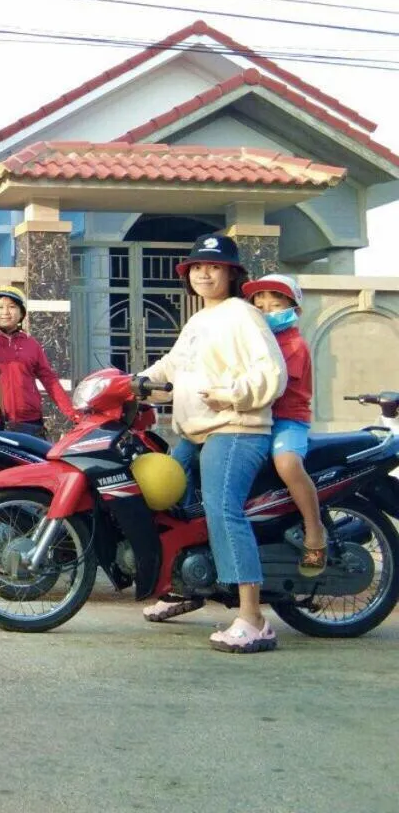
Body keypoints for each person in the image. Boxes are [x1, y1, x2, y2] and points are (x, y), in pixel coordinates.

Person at [139, 234, 286, 653]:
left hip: (236, 427)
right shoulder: (199, 320)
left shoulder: (242, 315)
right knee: (165, 497)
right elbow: (172, 365)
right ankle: (189, 584)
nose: (204, 273)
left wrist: (233, 394)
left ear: (231, 273)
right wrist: (133, 382)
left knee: (223, 508)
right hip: (195, 430)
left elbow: (271, 371)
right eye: (197, 267)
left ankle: (254, 618)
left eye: (214, 266)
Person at [243, 273, 326, 576]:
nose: (267, 311)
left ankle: (314, 531)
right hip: (257, 419)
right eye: (260, 306)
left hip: (287, 420)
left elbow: (271, 388)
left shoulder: (293, 345)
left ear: (294, 310)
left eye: (276, 305)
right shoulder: (253, 342)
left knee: (287, 464)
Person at [0, 285, 74, 435]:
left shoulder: (32, 344)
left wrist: (72, 413)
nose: (6, 312)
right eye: (0, 307)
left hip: (31, 423)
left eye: (12, 307)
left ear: (22, 313)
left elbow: (49, 380)